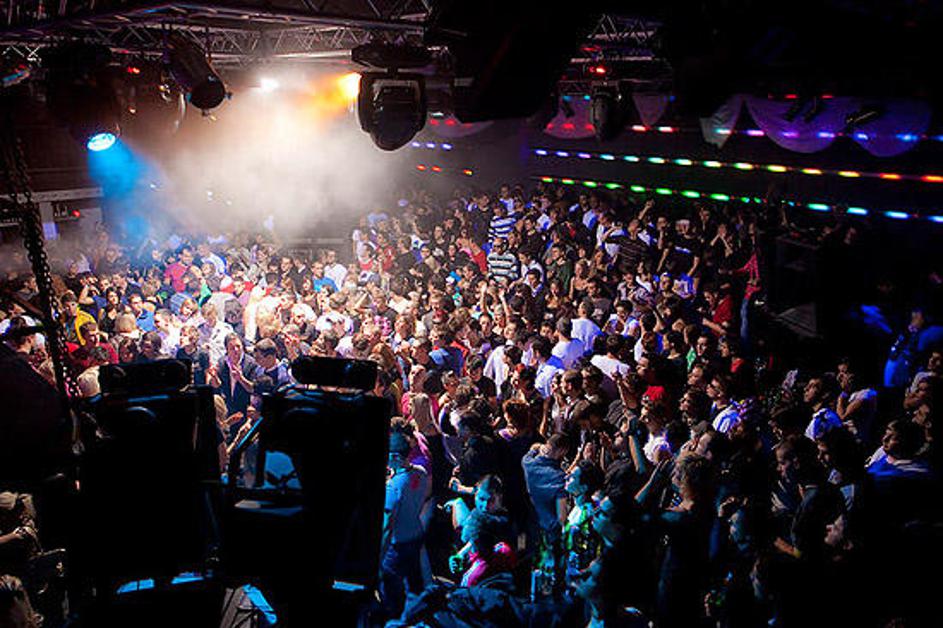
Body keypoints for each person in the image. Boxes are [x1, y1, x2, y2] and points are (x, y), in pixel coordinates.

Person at [380, 430, 431, 618]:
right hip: (416, 535)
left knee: (391, 585)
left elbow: (387, 526)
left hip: (398, 543)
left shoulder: (393, 487)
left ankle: (395, 618)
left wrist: (379, 555)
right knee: (414, 582)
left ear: (395, 456)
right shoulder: (421, 473)